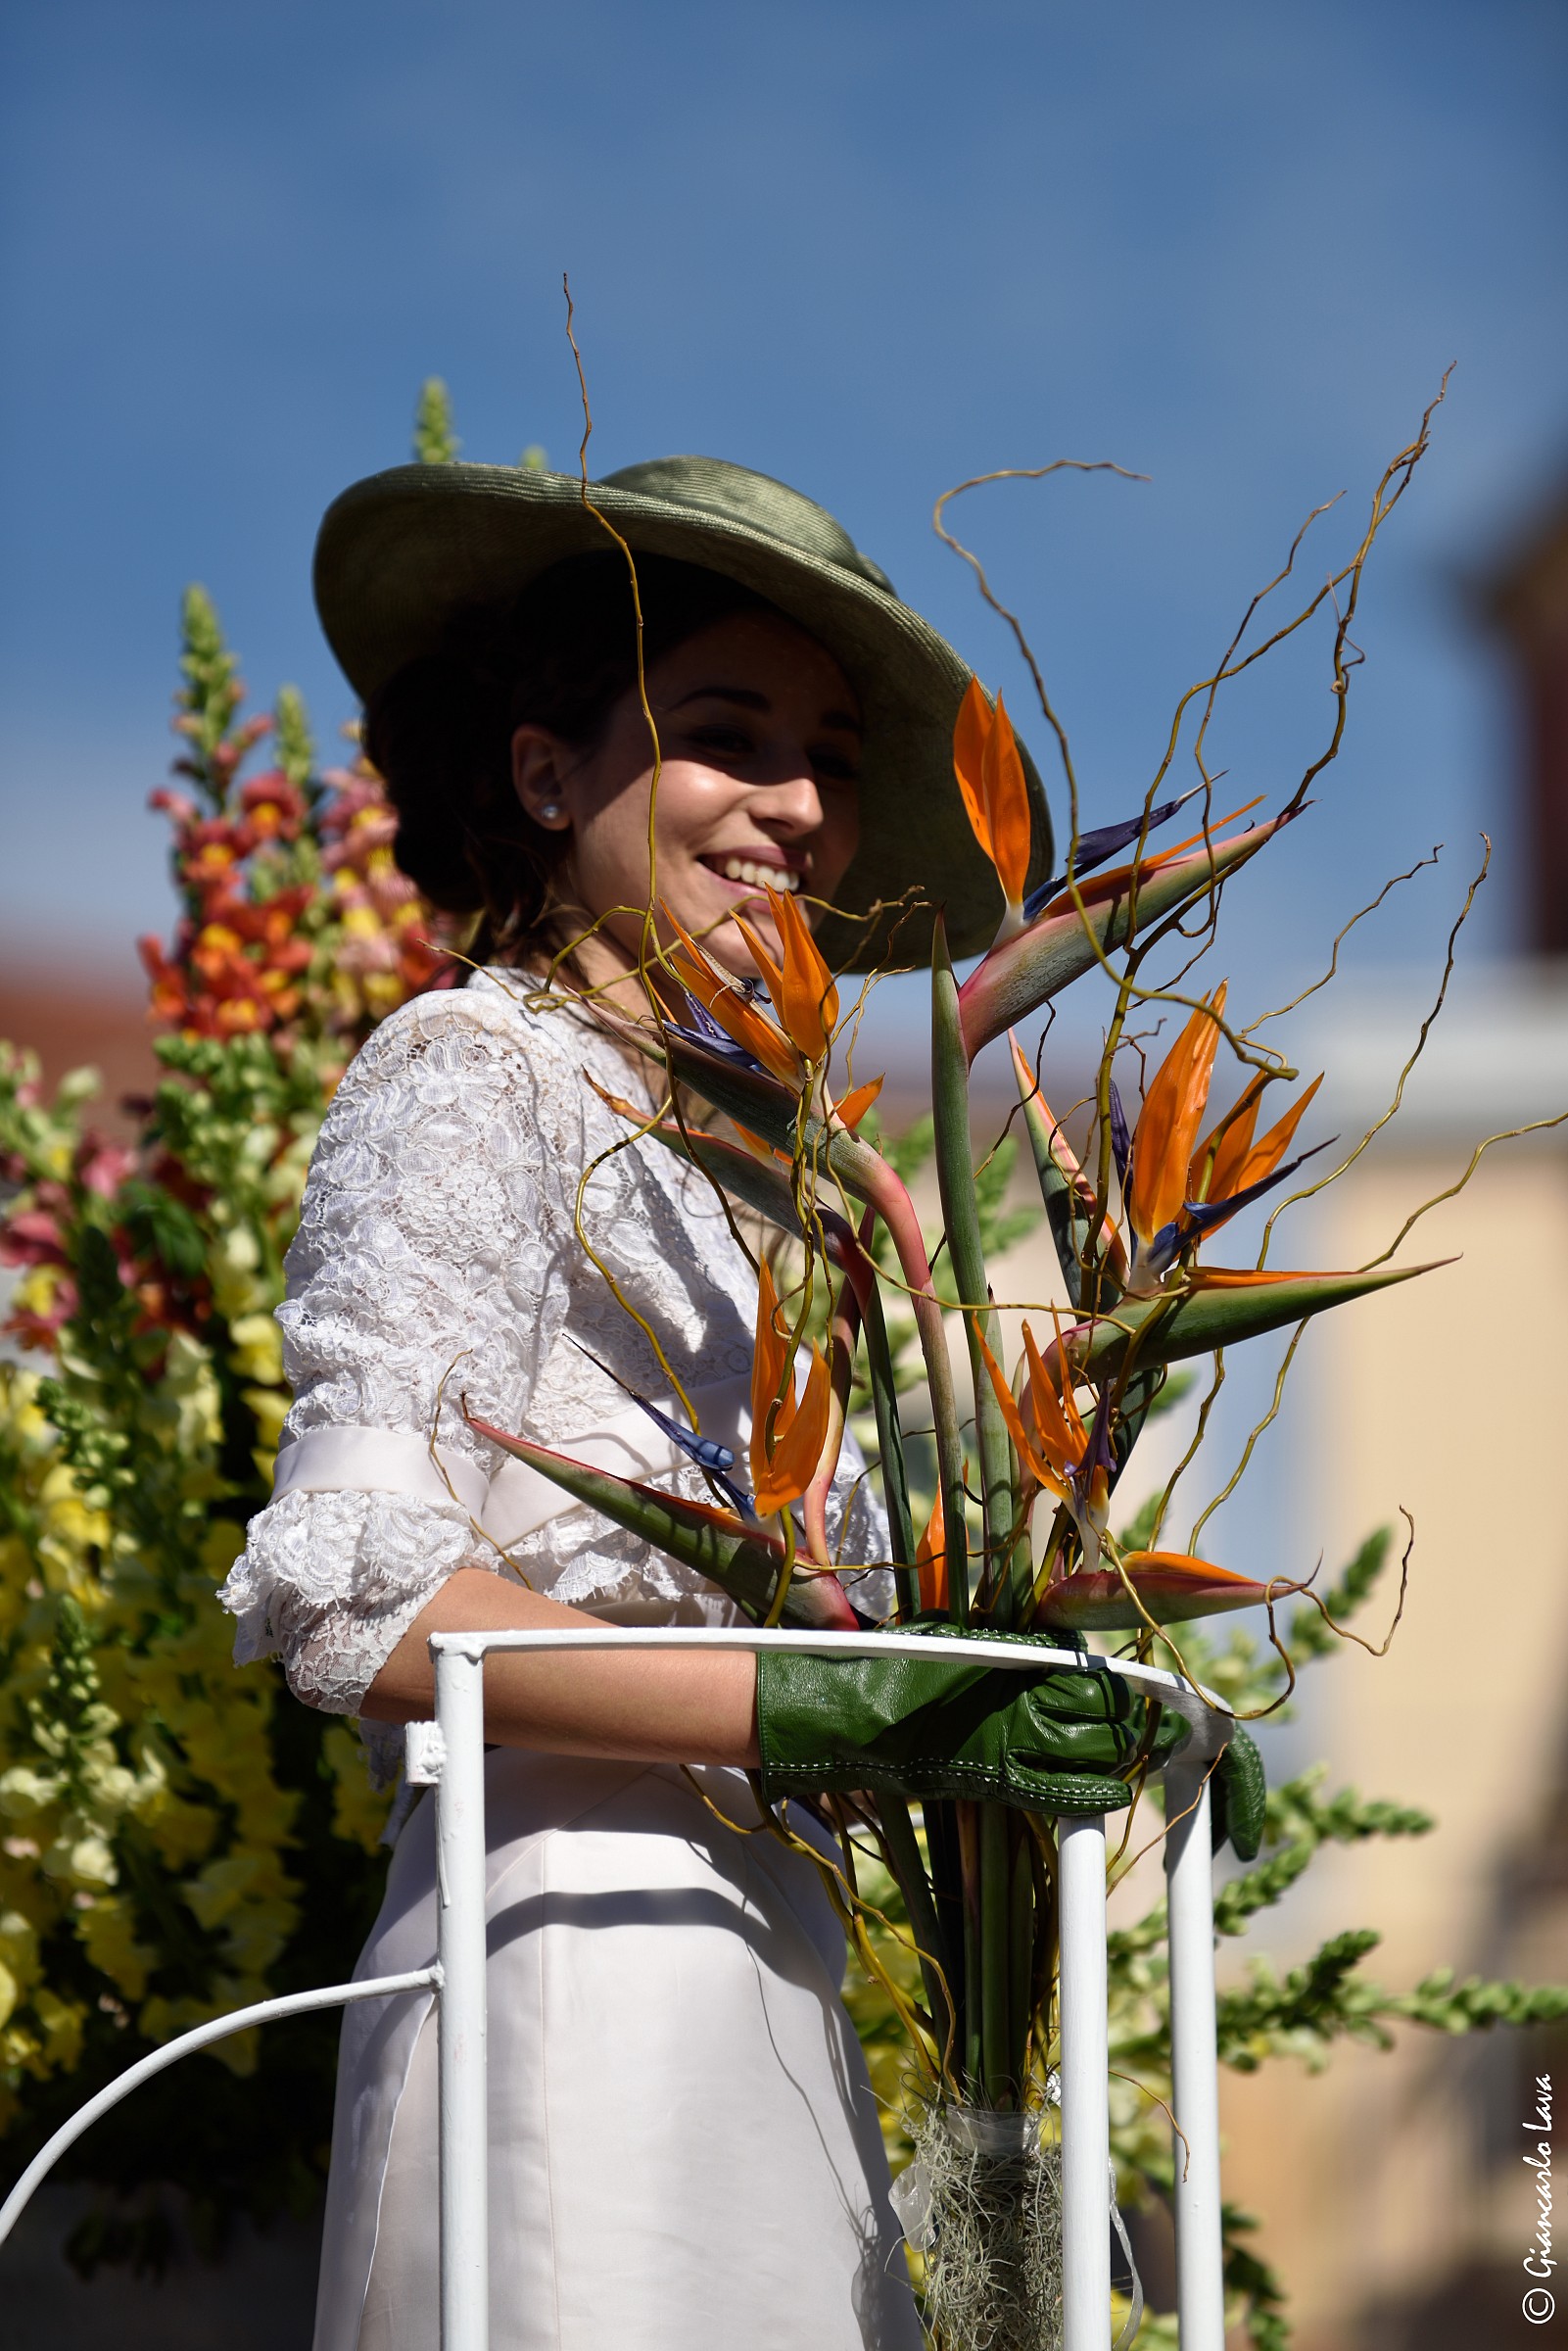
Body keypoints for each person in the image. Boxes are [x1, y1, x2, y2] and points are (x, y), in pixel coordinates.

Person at [220, 454, 1054, 2351]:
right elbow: (358, 1600)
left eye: (833, 759)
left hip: (780, 1991)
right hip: (558, 1981)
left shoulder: (794, 1182)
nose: (800, 806)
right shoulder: (469, 1068)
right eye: (731, 736)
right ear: (544, 776)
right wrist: (827, 1699)